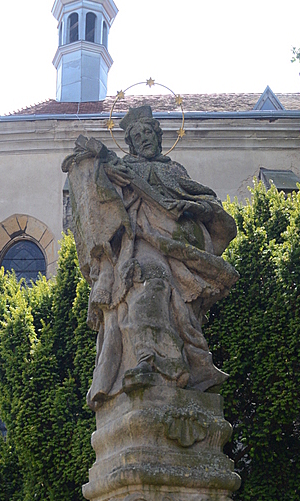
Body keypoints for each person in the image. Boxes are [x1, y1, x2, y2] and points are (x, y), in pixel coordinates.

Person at [62, 105, 239, 409]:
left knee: (174, 306)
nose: (144, 138)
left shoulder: (174, 170)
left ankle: (178, 363)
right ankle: (151, 360)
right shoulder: (120, 168)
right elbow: (98, 199)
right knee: (148, 285)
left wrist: (194, 207)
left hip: (179, 248)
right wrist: (103, 172)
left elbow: (209, 203)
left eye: (148, 132)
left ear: (158, 136)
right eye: (137, 135)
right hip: (139, 241)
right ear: (130, 143)